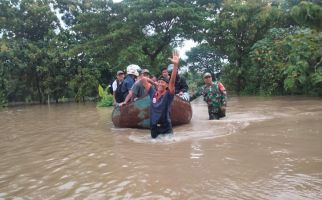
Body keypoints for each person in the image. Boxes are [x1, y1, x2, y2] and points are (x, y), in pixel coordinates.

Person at [141, 50, 180, 138]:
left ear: (166, 85)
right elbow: (143, 79)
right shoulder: (153, 93)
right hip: (154, 127)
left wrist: (175, 65)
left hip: (166, 127)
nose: (160, 83)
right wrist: (155, 83)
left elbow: (172, 82)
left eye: (163, 82)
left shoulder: (168, 95)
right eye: (159, 82)